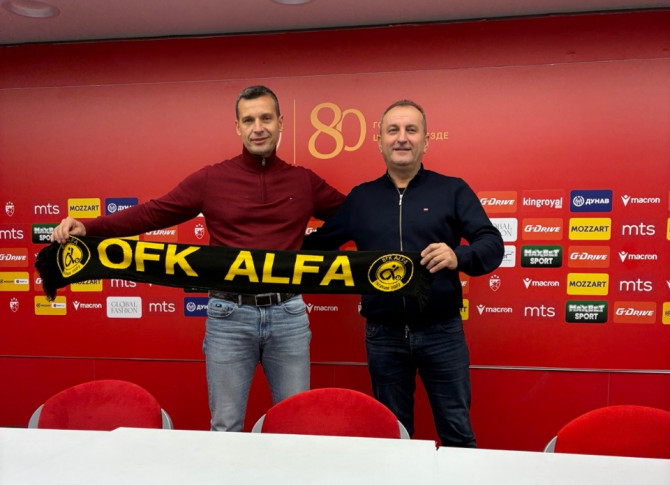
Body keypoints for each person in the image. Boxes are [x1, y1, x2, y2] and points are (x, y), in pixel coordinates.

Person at [51, 85, 345, 431]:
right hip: (228, 315)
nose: (258, 128)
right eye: (248, 120)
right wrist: (89, 227)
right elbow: (153, 213)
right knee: (225, 426)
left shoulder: (303, 181)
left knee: (297, 426)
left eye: (266, 118)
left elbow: (356, 217)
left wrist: (313, 246)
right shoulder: (211, 179)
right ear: (237, 127)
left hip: (288, 314)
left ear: (281, 122)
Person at [302, 99, 503, 447]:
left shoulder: (452, 190)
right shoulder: (361, 198)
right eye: (393, 130)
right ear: (379, 141)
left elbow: (492, 243)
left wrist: (457, 255)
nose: (402, 138)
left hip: (442, 332)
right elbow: (315, 246)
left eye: (411, 130)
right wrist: (266, 236)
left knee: (457, 433)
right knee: (393, 438)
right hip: (384, 336)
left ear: (426, 140)